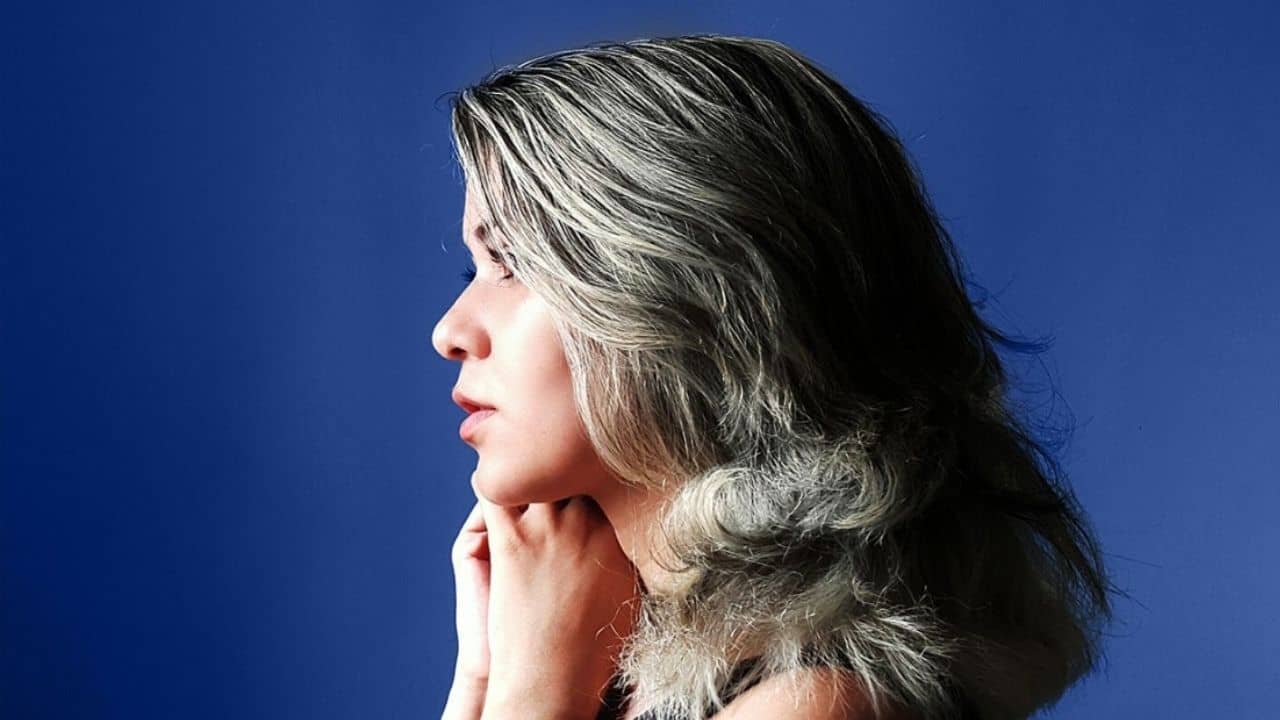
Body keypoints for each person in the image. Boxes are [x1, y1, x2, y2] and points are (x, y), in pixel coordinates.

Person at [431, 33, 1114, 720]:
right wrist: (483, 678)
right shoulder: (607, 671)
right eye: (472, 270)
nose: (450, 332)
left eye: (513, 264)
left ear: (694, 291)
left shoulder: (816, 705)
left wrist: (531, 697)